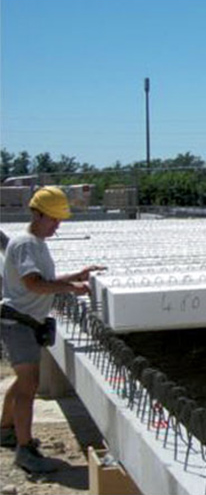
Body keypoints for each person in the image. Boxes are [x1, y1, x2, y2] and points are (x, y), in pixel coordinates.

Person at [0, 186, 105, 473]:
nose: (57, 225)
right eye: (53, 219)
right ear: (36, 214)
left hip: (26, 322)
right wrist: (72, 288)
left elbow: (44, 279)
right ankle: (25, 449)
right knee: (28, 386)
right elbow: (32, 284)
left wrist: (76, 276)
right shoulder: (26, 243)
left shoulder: (36, 243)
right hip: (19, 323)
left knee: (24, 381)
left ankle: (7, 429)